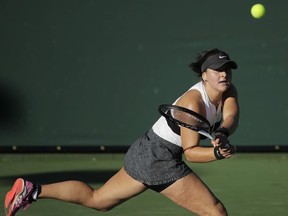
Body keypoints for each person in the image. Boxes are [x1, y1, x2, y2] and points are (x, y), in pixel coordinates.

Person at [4, 48, 239, 216]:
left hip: (145, 150)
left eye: (227, 69)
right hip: (159, 157)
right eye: (217, 70)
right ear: (204, 75)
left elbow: (231, 117)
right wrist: (218, 153)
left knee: (99, 200)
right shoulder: (192, 103)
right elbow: (192, 153)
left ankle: (32, 190)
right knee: (215, 212)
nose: (224, 74)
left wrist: (223, 133)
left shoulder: (228, 90)